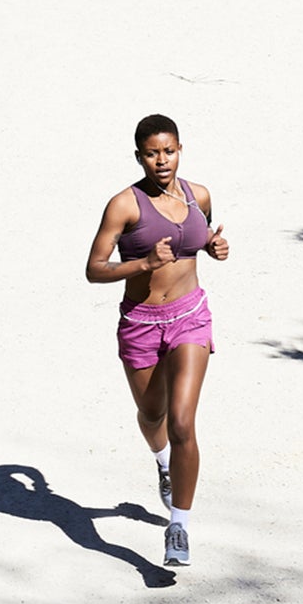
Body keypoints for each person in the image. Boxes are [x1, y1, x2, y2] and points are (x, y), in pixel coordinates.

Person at [85, 114, 229, 568]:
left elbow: (200, 236)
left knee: (183, 421)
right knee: (154, 415)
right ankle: (163, 461)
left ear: (180, 149)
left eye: (168, 151)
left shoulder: (199, 195)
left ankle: (179, 528)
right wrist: (143, 263)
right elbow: (95, 269)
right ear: (139, 156)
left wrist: (213, 247)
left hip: (190, 317)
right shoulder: (123, 205)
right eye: (152, 153)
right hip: (141, 323)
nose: (161, 160)